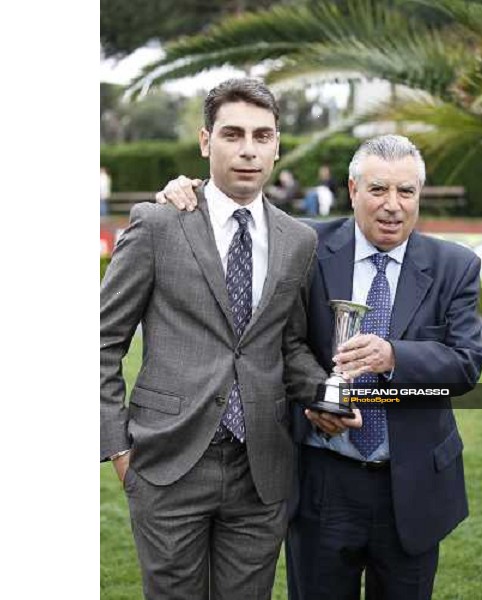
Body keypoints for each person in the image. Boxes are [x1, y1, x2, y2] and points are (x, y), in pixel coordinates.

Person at [157, 134, 482, 600]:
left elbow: (467, 362)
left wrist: (395, 356)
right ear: (352, 191)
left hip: (412, 486)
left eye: (406, 192)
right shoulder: (304, 245)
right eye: (377, 190)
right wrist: (185, 190)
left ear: (419, 196)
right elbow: (235, 217)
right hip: (322, 481)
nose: (392, 205)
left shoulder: (455, 265)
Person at [100, 78, 354, 600]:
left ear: (277, 146)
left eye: (262, 136)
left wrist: (327, 393)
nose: (247, 149)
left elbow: (287, 345)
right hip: (167, 462)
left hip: (260, 468)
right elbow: (101, 341)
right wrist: (118, 448)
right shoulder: (158, 224)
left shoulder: (297, 240)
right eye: (232, 134)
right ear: (204, 141)